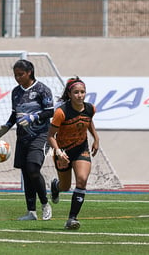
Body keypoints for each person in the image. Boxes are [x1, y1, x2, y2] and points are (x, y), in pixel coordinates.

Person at [0, 59, 53, 221]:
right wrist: (6, 126)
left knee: (33, 169)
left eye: (21, 74)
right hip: (23, 137)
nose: (18, 78)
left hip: (40, 135)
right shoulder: (15, 92)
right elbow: (15, 113)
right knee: (26, 173)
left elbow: (50, 111)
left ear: (30, 73)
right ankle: (31, 212)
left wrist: (33, 117)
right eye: (15, 75)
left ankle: (45, 204)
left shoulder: (42, 89)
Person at [47, 76, 99, 230]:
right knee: (65, 186)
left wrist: (96, 138)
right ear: (69, 94)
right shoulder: (61, 112)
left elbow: (88, 122)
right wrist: (58, 152)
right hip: (61, 151)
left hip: (81, 149)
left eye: (82, 92)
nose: (80, 95)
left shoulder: (91, 108)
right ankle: (56, 186)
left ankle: (72, 219)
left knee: (82, 180)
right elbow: (50, 136)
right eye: (76, 92)